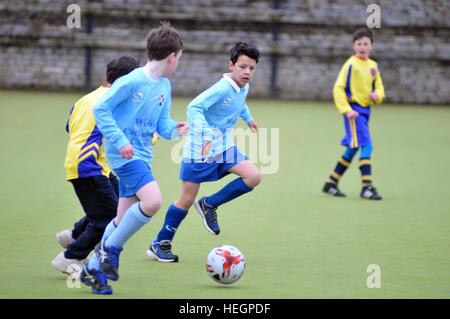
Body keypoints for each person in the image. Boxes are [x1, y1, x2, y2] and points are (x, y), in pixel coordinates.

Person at [80, 22, 188, 295]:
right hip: (123, 155)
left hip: (142, 155)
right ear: (172, 56)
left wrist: (179, 129)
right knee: (153, 201)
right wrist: (121, 141)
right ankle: (111, 251)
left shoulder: (164, 85)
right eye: (180, 58)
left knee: (121, 218)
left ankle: (93, 269)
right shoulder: (131, 81)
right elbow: (101, 109)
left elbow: (162, 127)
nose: (179, 63)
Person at [146, 41, 262, 263]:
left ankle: (209, 204)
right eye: (243, 67)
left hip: (224, 148)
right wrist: (206, 133)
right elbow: (194, 108)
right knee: (186, 200)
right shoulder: (221, 88)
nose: (247, 72)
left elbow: (241, 103)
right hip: (200, 151)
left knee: (253, 176)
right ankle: (160, 243)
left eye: (252, 68)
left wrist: (248, 119)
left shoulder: (243, 86)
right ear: (231, 65)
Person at [51, 56, 139, 275]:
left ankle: (75, 233)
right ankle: (71, 256)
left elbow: (70, 127)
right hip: (88, 166)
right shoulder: (115, 102)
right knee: (110, 217)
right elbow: (131, 135)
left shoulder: (85, 98)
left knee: (123, 202)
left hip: (90, 163)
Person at [322, 27, 385, 200]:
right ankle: (367, 187)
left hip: (366, 111)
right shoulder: (350, 64)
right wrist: (347, 110)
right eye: (359, 44)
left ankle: (330, 183)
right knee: (367, 145)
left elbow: (379, 88)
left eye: (365, 44)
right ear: (353, 46)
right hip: (354, 112)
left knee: (353, 148)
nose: (362, 47)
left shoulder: (373, 66)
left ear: (372, 45)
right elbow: (338, 88)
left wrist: (377, 96)